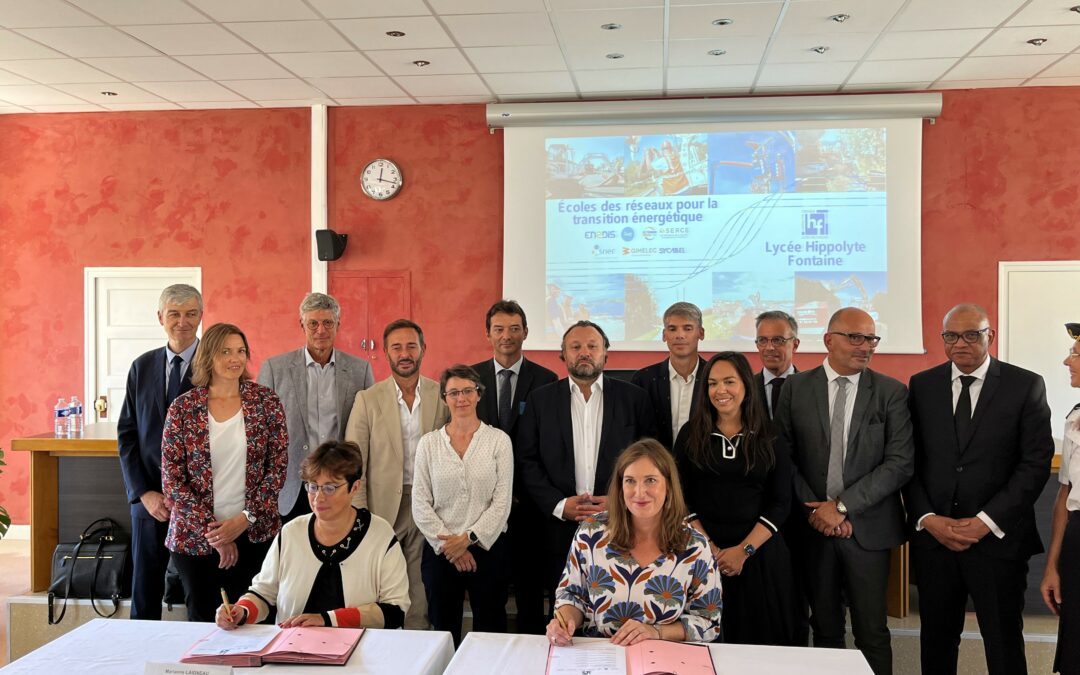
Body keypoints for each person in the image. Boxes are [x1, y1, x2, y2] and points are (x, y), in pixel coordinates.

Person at [907, 303, 1053, 675]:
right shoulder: (922, 386)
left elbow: (1035, 463)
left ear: (990, 335)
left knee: (1003, 640)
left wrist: (986, 521)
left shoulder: (1025, 384)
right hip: (935, 541)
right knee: (936, 640)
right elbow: (910, 460)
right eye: (951, 335)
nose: (961, 343)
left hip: (998, 542)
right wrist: (927, 518)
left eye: (972, 334)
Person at [774, 307, 914, 675]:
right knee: (824, 630)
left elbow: (899, 463)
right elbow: (784, 457)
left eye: (871, 339)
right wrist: (816, 512)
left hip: (867, 530)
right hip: (813, 530)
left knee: (872, 632)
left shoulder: (891, 392)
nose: (865, 346)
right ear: (828, 340)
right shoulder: (795, 389)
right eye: (856, 337)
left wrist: (842, 507)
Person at [161, 322, 289, 622]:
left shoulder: (266, 402)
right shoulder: (183, 408)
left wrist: (244, 520)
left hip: (255, 536)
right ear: (208, 357)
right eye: (225, 351)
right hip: (195, 540)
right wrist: (217, 535)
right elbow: (172, 479)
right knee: (205, 623)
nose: (235, 358)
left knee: (256, 622)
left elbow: (278, 468)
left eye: (241, 351)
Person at [517, 320, 657, 591]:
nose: (584, 352)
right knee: (563, 610)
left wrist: (619, 501)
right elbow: (526, 460)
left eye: (592, 346)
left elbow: (651, 461)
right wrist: (559, 505)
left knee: (618, 603)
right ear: (563, 354)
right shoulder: (540, 400)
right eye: (576, 346)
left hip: (621, 523)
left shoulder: (635, 399)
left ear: (606, 352)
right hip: (558, 527)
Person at [215, 440, 410, 630]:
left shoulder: (380, 535)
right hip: (292, 648)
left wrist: (326, 619)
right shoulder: (291, 533)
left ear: (355, 487)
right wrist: (242, 611)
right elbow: (263, 594)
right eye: (313, 486)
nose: (318, 497)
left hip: (361, 653)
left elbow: (394, 610)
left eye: (330, 488)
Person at [545, 439, 722, 646]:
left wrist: (656, 632)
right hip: (602, 657)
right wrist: (564, 623)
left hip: (664, 657)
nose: (639, 492)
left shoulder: (695, 545)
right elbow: (572, 595)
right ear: (620, 487)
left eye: (650, 480)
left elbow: (709, 623)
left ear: (669, 485)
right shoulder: (591, 533)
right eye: (630, 481)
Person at [674, 352, 797, 646]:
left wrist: (744, 551)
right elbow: (682, 499)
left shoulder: (770, 436)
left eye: (729, 381)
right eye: (713, 383)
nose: (720, 390)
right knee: (703, 640)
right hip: (703, 554)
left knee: (760, 643)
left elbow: (780, 503)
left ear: (746, 385)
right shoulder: (690, 435)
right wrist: (712, 552)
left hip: (759, 555)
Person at [344, 319, 449, 629]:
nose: (405, 353)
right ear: (386, 353)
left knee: (419, 584)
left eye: (411, 346)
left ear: (423, 349)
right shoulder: (368, 399)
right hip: (380, 505)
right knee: (379, 581)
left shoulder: (441, 396)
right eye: (397, 347)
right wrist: (359, 513)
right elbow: (354, 460)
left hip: (427, 504)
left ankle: (416, 647)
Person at [470, 300, 557, 635]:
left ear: (526, 332)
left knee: (530, 589)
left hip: (530, 504)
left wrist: (523, 490)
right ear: (488, 334)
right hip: (484, 504)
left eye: (514, 328)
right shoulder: (471, 377)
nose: (507, 336)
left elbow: (547, 446)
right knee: (488, 590)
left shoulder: (546, 379)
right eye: (499, 329)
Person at [118, 283, 203, 620]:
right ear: (160, 317)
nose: (182, 322)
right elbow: (126, 435)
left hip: (199, 500)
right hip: (150, 500)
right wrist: (143, 494)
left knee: (200, 591)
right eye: (174, 314)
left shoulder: (213, 367)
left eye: (191, 314)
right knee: (144, 588)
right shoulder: (141, 366)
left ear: (201, 316)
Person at [412, 365, 513, 646]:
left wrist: (468, 540)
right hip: (441, 552)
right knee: (443, 632)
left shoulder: (498, 441)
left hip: (488, 549)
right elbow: (420, 504)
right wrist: (453, 548)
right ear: (445, 398)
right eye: (454, 392)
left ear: (479, 394)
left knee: (490, 633)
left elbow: (501, 503)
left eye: (468, 390)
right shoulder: (428, 444)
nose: (462, 398)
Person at [257, 292, 374, 523]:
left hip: (340, 482)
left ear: (338, 324)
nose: (321, 330)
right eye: (313, 323)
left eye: (328, 322)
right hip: (292, 485)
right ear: (302, 325)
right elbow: (259, 431)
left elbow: (370, 428)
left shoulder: (360, 370)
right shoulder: (274, 369)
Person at [1042, 325, 1080, 675]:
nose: (1067, 360)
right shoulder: (1075, 417)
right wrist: (1053, 565)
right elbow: (1065, 494)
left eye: (1077, 354)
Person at [630, 302, 708, 450]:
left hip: (705, 469)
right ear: (664, 335)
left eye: (687, 328)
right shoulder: (643, 380)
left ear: (701, 333)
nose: (680, 335)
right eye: (672, 329)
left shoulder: (714, 377)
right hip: (656, 468)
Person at [754, 310, 800, 421]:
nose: (769, 347)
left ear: (795, 345)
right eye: (762, 340)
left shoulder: (810, 388)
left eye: (778, 340)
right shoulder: (746, 386)